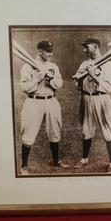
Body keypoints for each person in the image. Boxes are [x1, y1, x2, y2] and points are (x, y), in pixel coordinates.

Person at [19, 40, 67, 175]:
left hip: (51, 100)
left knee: (55, 131)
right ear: (39, 51)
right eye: (47, 51)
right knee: (29, 132)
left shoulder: (53, 66)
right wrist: (38, 78)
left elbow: (59, 84)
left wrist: (50, 78)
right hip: (34, 101)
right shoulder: (27, 66)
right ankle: (24, 165)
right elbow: (24, 88)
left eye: (51, 50)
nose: (51, 53)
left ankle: (56, 161)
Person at [74, 37, 111, 170]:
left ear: (95, 46)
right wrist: (79, 80)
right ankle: (84, 159)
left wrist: (93, 76)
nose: (84, 49)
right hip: (86, 98)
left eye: (87, 47)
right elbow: (77, 85)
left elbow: (109, 88)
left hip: (102, 98)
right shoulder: (84, 63)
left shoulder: (108, 63)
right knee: (86, 130)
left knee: (107, 130)